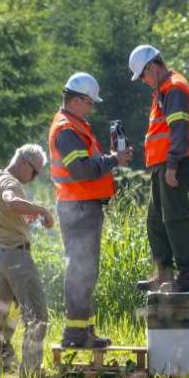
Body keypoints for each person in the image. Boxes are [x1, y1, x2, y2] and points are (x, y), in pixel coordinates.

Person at [48, 72, 133, 348]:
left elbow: (88, 163)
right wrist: (114, 159)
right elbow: (82, 170)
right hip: (78, 207)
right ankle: (74, 335)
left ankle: (84, 332)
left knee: (87, 271)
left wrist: (110, 157)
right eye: (90, 103)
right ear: (78, 100)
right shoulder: (66, 130)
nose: (92, 108)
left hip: (82, 207)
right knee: (81, 270)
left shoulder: (75, 126)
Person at [0, 144, 54, 378]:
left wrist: (26, 214)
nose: (34, 178)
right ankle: (32, 376)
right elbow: (10, 201)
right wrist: (42, 210)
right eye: (35, 172)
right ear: (24, 163)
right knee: (36, 315)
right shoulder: (10, 183)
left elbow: (7, 212)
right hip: (16, 257)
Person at [129, 45, 189, 294]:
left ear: (153, 66)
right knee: (156, 221)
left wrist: (172, 166)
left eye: (143, 75)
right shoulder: (163, 90)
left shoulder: (174, 88)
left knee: (175, 219)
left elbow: (179, 130)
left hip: (175, 164)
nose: (143, 81)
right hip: (163, 165)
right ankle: (165, 273)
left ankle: (186, 275)